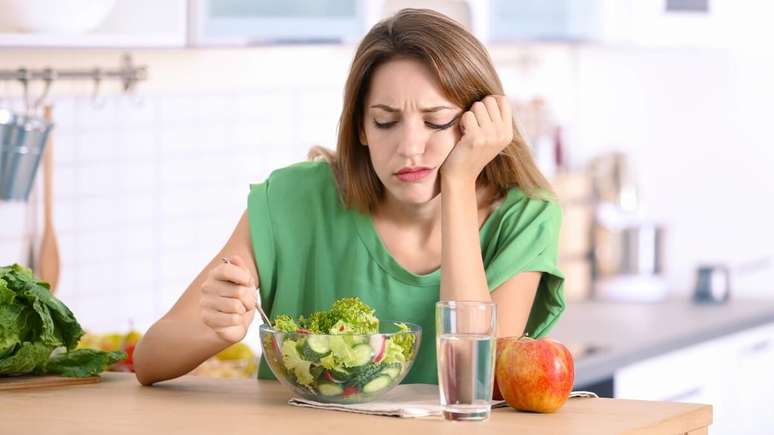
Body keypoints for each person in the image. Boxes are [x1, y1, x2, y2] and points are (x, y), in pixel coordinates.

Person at [133, 8, 565, 386]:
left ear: (479, 122)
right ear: (360, 128)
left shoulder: (526, 217)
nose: (410, 147)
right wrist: (215, 328)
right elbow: (149, 360)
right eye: (384, 121)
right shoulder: (295, 199)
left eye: (436, 121)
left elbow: (475, 377)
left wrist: (457, 183)